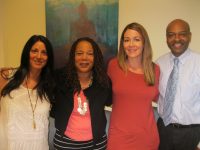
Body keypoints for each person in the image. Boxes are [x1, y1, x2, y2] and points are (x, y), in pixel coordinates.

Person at [51, 37, 112, 150]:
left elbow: (109, 101)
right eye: (79, 53)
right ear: (73, 56)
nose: (84, 58)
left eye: (90, 53)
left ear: (95, 58)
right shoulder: (59, 78)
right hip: (65, 144)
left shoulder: (104, 82)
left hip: (96, 144)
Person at [107, 22, 160, 150]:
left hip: (147, 138)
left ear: (144, 43)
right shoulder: (113, 66)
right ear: (122, 43)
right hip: (118, 138)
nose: (131, 44)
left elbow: (158, 98)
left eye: (136, 39)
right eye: (127, 40)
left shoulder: (154, 70)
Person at [0, 35, 55, 150]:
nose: (39, 56)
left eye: (44, 53)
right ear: (26, 53)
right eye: (34, 51)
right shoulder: (6, 77)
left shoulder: (50, 86)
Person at [156, 19, 200, 150]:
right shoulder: (159, 64)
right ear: (166, 38)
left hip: (192, 133)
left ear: (189, 36)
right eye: (171, 35)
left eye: (182, 34)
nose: (176, 39)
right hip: (163, 129)